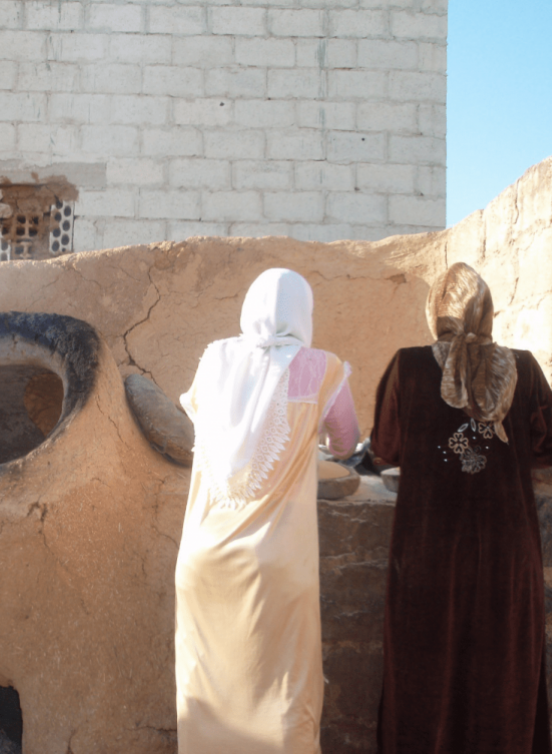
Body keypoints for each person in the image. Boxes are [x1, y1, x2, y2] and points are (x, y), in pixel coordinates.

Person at [372, 262, 552, 754]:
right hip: (507, 561)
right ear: (486, 311)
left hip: (427, 558)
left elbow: (385, 446)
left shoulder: (406, 366)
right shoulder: (523, 368)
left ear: (436, 314)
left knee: (424, 682)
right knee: (502, 679)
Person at [175, 268, 360, 754]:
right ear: (304, 313)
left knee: (207, 700)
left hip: (201, 561)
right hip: (275, 570)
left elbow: (201, 419)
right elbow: (346, 442)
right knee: (282, 700)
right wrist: (309, 434)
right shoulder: (318, 367)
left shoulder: (215, 359)